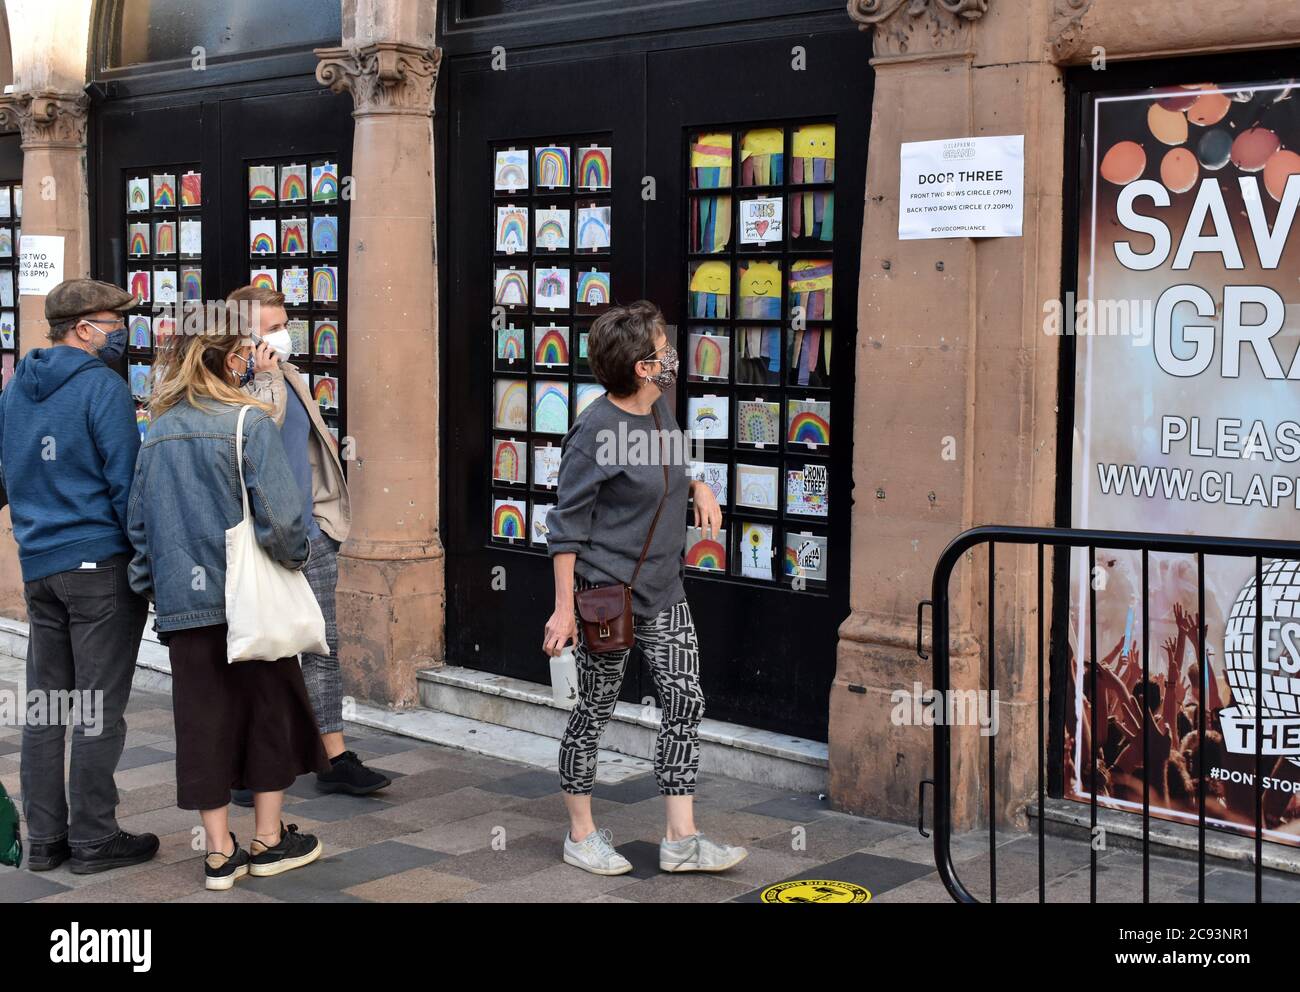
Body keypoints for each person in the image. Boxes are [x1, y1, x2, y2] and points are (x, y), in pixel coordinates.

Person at [542, 300, 746, 875]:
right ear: (640, 366)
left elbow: (670, 463)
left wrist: (699, 486)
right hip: (606, 596)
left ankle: (681, 839)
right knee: (594, 712)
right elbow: (565, 529)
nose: (672, 358)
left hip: (664, 590)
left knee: (684, 701)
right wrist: (564, 613)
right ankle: (581, 834)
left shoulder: (660, 411)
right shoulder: (595, 430)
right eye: (663, 351)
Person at [127, 307, 327, 891]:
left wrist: (153, 587)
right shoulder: (249, 421)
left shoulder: (158, 427)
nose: (248, 361)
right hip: (251, 600)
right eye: (242, 353)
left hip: (185, 605)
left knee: (202, 721)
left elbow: (138, 524)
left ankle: (218, 853)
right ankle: (268, 840)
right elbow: (284, 520)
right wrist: (295, 563)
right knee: (269, 710)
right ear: (226, 359)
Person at [0, 279, 156, 874]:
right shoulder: (101, 387)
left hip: (40, 566)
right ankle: (93, 839)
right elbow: (127, 489)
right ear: (84, 328)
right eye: (115, 321)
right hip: (98, 568)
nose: (123, 331)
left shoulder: (16, 390)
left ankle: (44, 840)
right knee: (96, 709)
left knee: (46, 708)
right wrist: (148, 567)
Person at [224, 285, 388, 802]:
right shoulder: (229, 386)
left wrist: (323, 517)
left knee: (323, 646)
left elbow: (309, 452)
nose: (283, 334)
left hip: (308, 534)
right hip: (259, 540)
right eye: (271, 326)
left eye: (285, 323)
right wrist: (265, 376)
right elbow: (259, 437)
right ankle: (254, 765)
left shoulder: (287, 375)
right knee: (262, 652)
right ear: (243, 336)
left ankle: (334, 757)